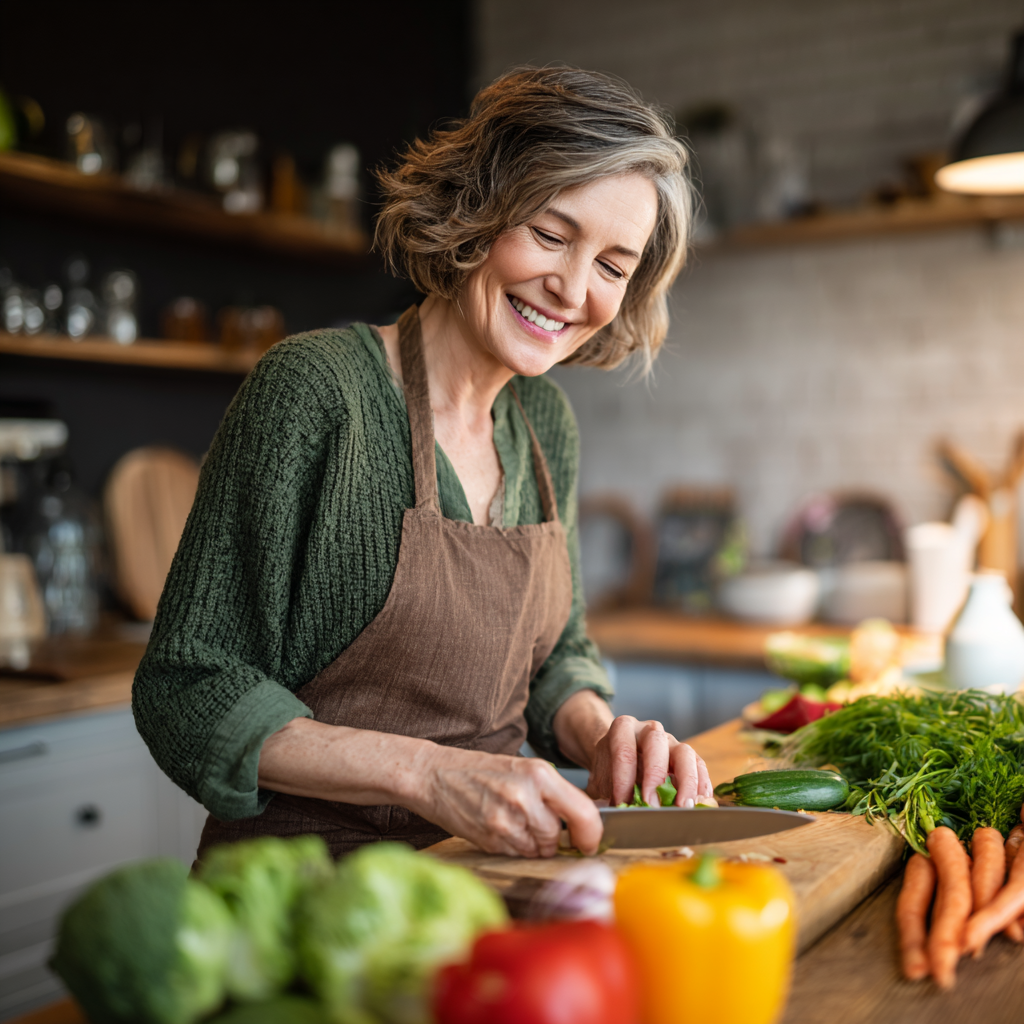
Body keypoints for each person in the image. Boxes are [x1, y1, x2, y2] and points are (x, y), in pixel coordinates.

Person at [133, 65, 712, 861]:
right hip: (302, 896)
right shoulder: (314, 393)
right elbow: (188, 687)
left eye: (613, 266)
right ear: (477, 210)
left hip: (493, 875)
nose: (573, 288)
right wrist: (430, 775)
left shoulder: (545, 422)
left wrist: (605, 735)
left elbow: (555, 660)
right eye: (549, 233)